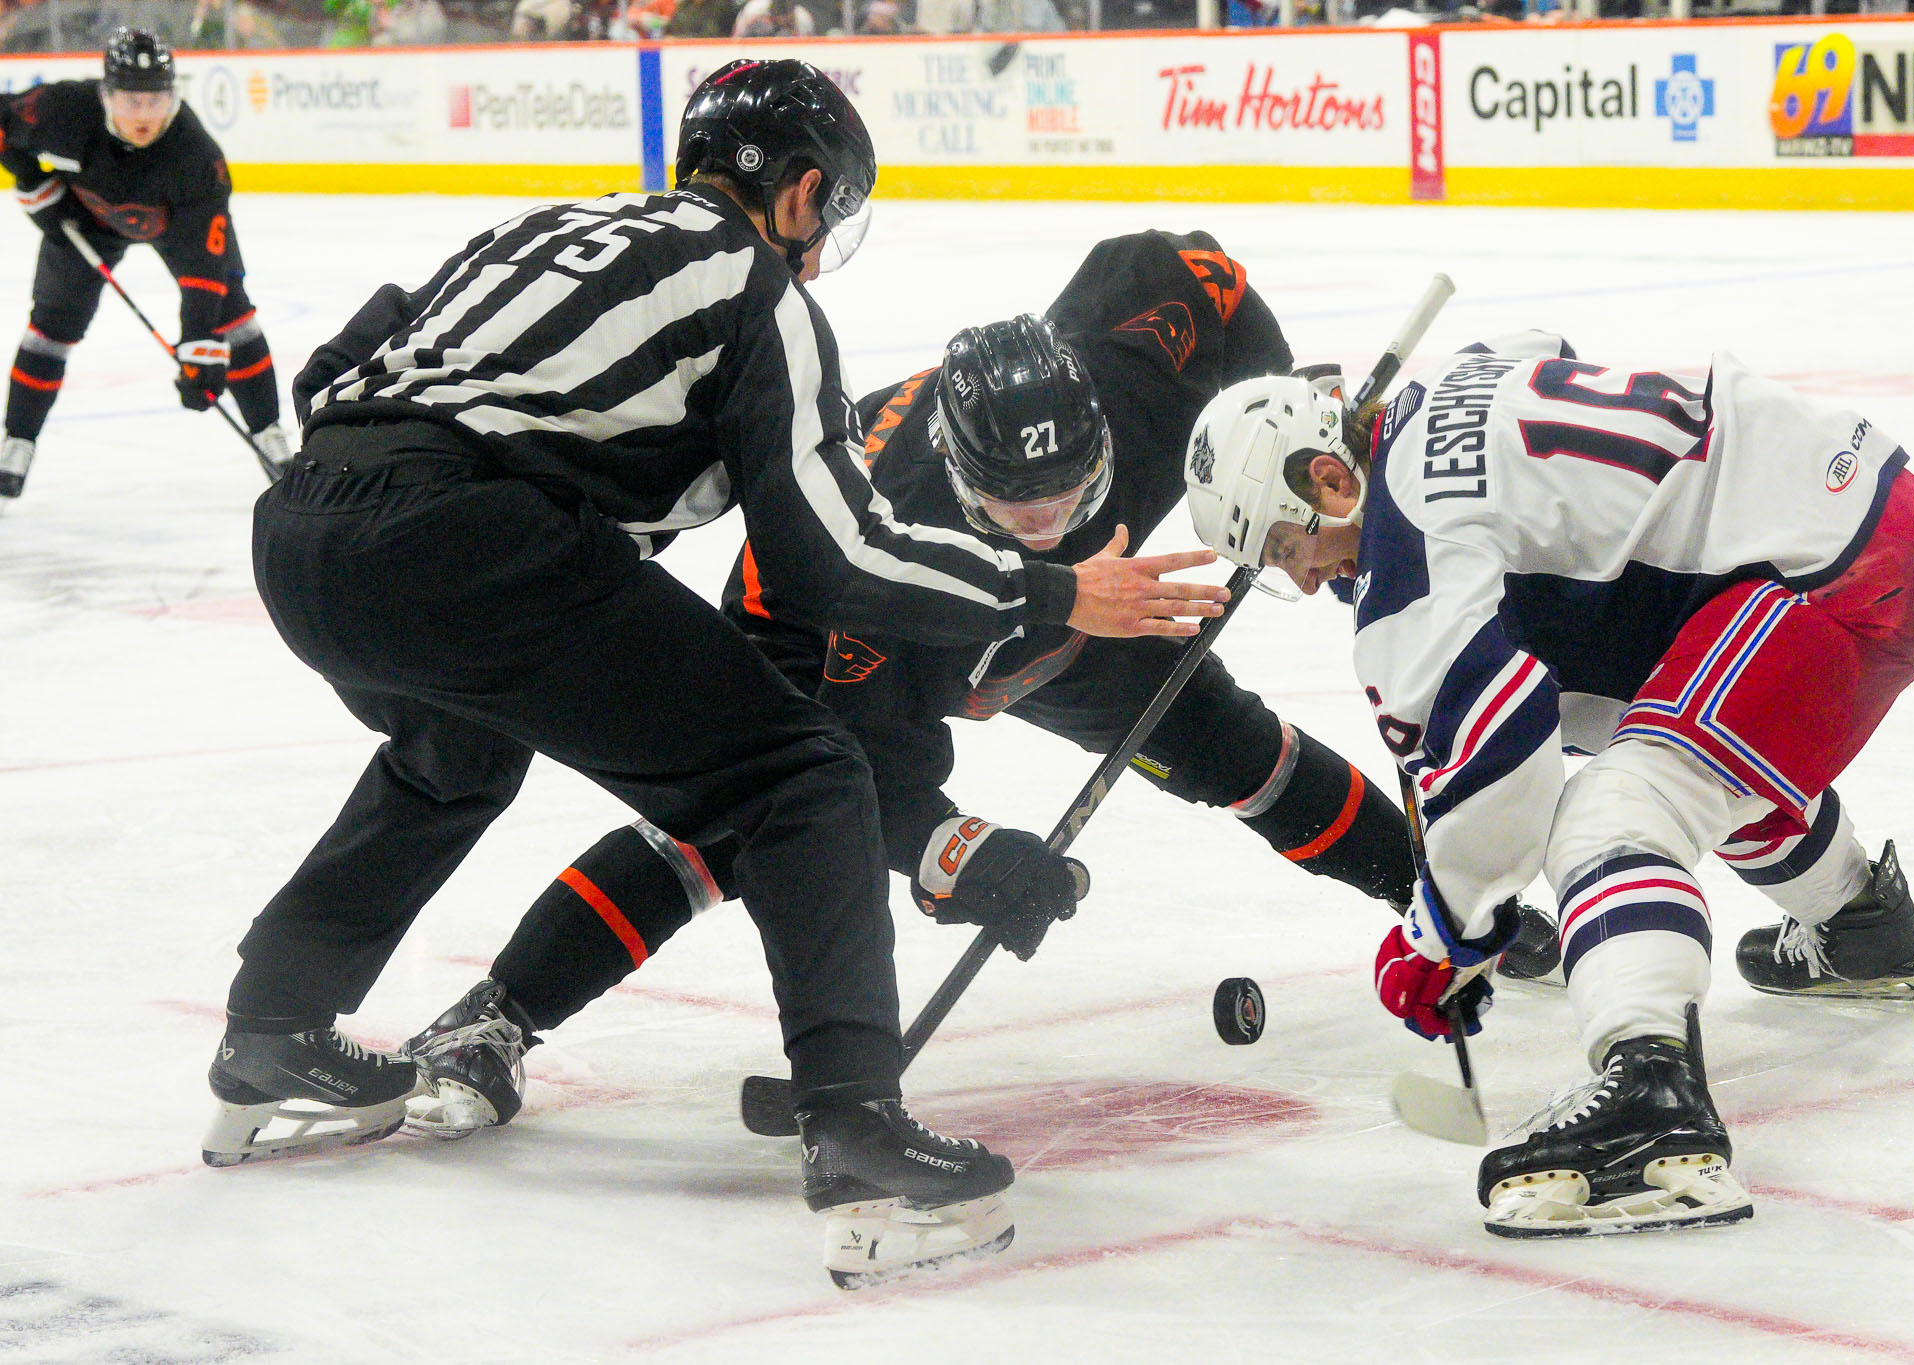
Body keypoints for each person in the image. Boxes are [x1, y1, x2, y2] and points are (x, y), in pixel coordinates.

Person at [199, 59, 1226, 1286]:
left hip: (303, 527)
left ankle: (272, 1028)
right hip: (462, 539)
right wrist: (1053, 593)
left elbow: (343, 360)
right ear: (797, 194)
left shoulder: (545, 228)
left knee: (452, 756)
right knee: (800, 774)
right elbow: (829, 560)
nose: (822, 248)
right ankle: (853, 1124)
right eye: (829, 214)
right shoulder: (755, 289)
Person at [398, 233, 1564, 1142]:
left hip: (1087, 613)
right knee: (741, 818)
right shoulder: (876, 548)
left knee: (1231, 748)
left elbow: (1198, 272)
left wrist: (1271, 421)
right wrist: (960, 856)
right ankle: (498, 1014)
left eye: (1073, 491)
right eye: (1020, 510)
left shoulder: (1126, 365)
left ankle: (1447, 908)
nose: (1050, 521)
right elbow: (873, 783)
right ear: (960, 484)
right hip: (890, 631)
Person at [1182, 329, 1914, 1237]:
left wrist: (1445, 932)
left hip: (1837, 577)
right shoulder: (1450, 379)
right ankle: (1865, 926)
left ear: (1328, 476)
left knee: (1612, 816)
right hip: (1865, 512)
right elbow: (1537, 350)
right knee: (1683, 742)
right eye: (1278, 565)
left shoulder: (1408, 565)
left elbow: (1504, 771)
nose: (1304, 572)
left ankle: (1653, 1106)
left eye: (1288, 544)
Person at [0, 27, 291, 506]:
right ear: (106, 95)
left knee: (232, 318)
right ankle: (18, 441)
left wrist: (199, 343)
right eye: (132, 101)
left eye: (155, 101)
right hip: (85, 221)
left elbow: (204, 264)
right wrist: (32, 183)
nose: (144, 115)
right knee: (51, 326)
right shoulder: (64, 110)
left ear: (173, 97)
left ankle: (269, 433)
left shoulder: (196, 157)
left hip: (176, 227)